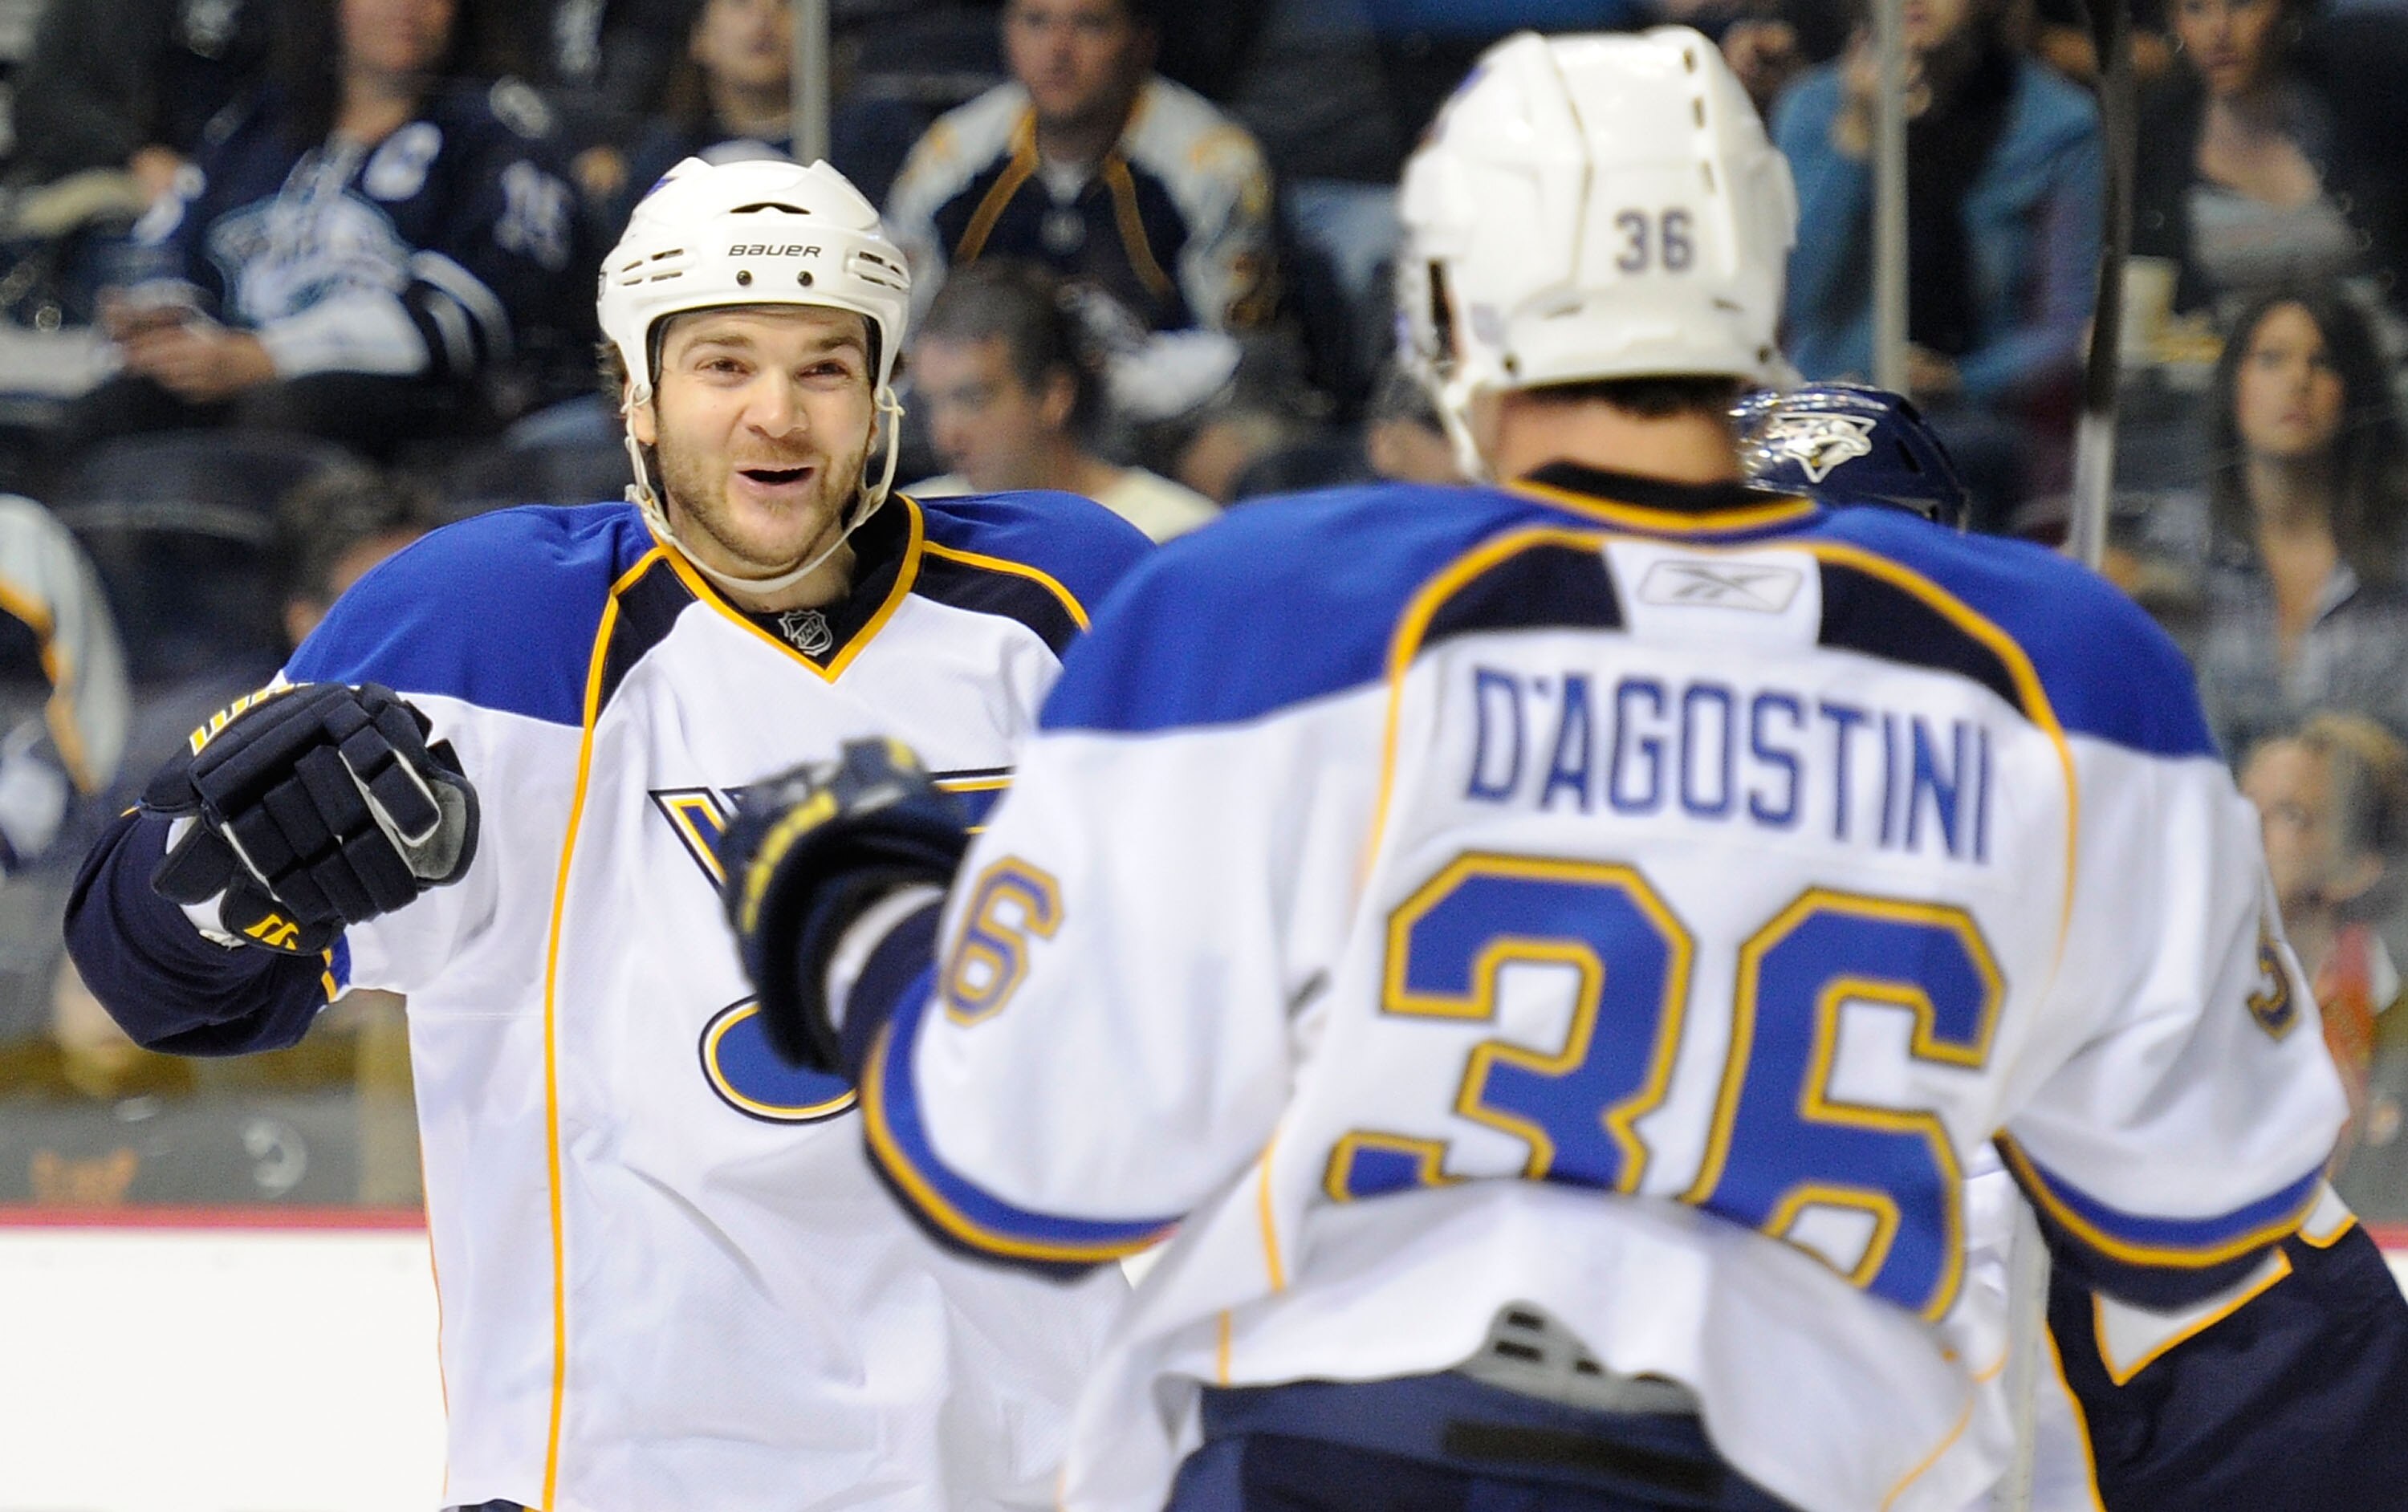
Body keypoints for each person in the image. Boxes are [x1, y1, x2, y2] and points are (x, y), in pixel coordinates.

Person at [714, 28, 2408, 1511]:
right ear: (1758, 297)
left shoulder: (1272, 606)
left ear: (1448, 306)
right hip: (1816, 1459)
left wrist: (849, 916)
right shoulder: (2065, 667)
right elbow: (2221, 1249)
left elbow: (1020, 1172)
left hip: (1315, 1453)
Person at [61, 155, 1146, 1510]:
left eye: (823, 365)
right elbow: (146, 976)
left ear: (883, 393)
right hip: (623, 1475)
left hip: (1042, 1470)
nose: (776, 412)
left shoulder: (1070, 601)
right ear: (637, 389)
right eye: (722, 362)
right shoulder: (484, 626)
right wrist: (222, 891)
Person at [59, 0, 587, 461]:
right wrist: (165, 329)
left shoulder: (498, 132)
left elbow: (475, 305)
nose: (407, 7)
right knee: (108, 413)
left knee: (281, 413)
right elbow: (169, 244)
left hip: (414, 409)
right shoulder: (256, 125)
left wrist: (265, 357)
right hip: (231, 372)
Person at [1774, 0, 2100, 530]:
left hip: (1982, 440)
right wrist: (1857, 137)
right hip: (1822, 436)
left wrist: (1960, 380)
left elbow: (2068, 327)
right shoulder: (1813, 107)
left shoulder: (2057, 126)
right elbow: (1796, 297)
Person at [883, 0, 1277, 340]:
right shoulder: (950, 156)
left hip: (1163, 413)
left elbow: (1235, 357)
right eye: (1036, 21)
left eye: (1089, 24)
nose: (1058, 50)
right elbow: (900, 339)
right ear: (1006, 33)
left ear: (1141, 42)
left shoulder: (1216, 165)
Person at [2187, 287, 2408, 757]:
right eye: (2272, 359)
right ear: (2235, 386)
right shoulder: (2179, 550)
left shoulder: (2397, 558)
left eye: (2324, 363)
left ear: (2355, 394)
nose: (2298, 380)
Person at [907, 258, 1217, 541]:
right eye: (933, 404)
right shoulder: (912, 527)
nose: (946, 435)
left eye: (974, 399)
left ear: (1055, 396)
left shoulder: (1178, 534)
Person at [2136, 0, 2408, 319]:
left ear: (2287, 11)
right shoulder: (2156, 133)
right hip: (2218, 361)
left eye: (2242, 5)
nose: (2219, 30)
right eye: (2196, 8)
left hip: (2377, 354)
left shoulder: (2361, 108)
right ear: (2173, 22)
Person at [609, 0, 797, 234]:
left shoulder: (851, 145)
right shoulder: (666, 156)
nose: (764, 17)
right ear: (700, 36)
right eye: (741, 4)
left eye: (785, 3)